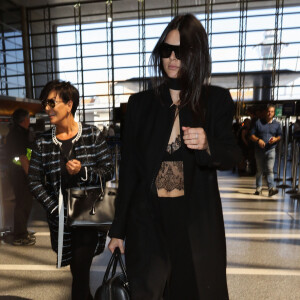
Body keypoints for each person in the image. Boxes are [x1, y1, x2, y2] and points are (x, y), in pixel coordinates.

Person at [108, 14, 241, 300]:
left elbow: (231, 155)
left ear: (196, 55)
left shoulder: (215, 100)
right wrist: (118, 229)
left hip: (194, 225)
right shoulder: (141, 104)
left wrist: (207, 144)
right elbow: (130, 169)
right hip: (148, 223)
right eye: (166, 50)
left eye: (180, 52)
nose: (172, 58)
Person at [28, 80, 113, 300]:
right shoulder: (42, 143)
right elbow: (34, 180)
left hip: (87, 216)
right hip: (61, 221)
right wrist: (54, 208)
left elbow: (108, 170)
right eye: (44, 103)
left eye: (51, 102)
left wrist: (84, 172)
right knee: (78, 271)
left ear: (69, 104)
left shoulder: (92, 135)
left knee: (81, 268)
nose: (46, 108)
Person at [5, 108, 35, 246]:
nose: (29, 120)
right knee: (23, 204)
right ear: (24, 120)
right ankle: (20, 236)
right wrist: (31, 176)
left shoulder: (17, 132)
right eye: (28, 117)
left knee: (24, 204)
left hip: (18, 173)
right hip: (21, 174)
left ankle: (22, 231)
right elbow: (22, 157)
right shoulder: (19, 134)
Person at [250, 104, 282, 196]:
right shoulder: (258, 123)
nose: (269, 113)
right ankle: (258, 188)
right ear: (265, 112)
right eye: (268, 111)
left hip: (271, 149)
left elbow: (280, 135)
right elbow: (251, 135)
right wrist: (258, 140)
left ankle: (271, 188)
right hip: (259, 150)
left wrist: (276, 139)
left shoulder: (277, 124)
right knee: (260, 170)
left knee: (269, 169)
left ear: (274, 113)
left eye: (272, 112)